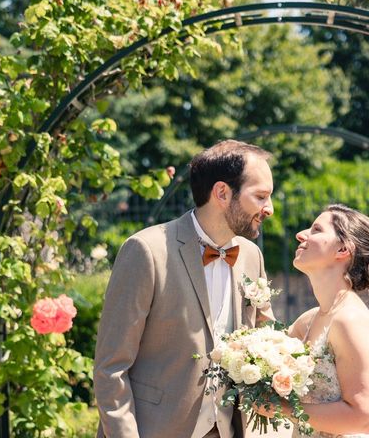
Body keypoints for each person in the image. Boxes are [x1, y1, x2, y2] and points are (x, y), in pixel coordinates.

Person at [94, 140, 275, 438]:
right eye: (261, 196)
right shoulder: (146, 251)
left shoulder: (252, 255)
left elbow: (266, 337)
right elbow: (110, 368)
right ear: (222, 193)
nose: (269, 208)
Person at [258, 204, 369, 437]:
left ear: (342, 249)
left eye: (316, 229)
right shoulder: (306, 321)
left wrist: (283, 409)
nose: (301, 234)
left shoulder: (350, 320)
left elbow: (364, 417)